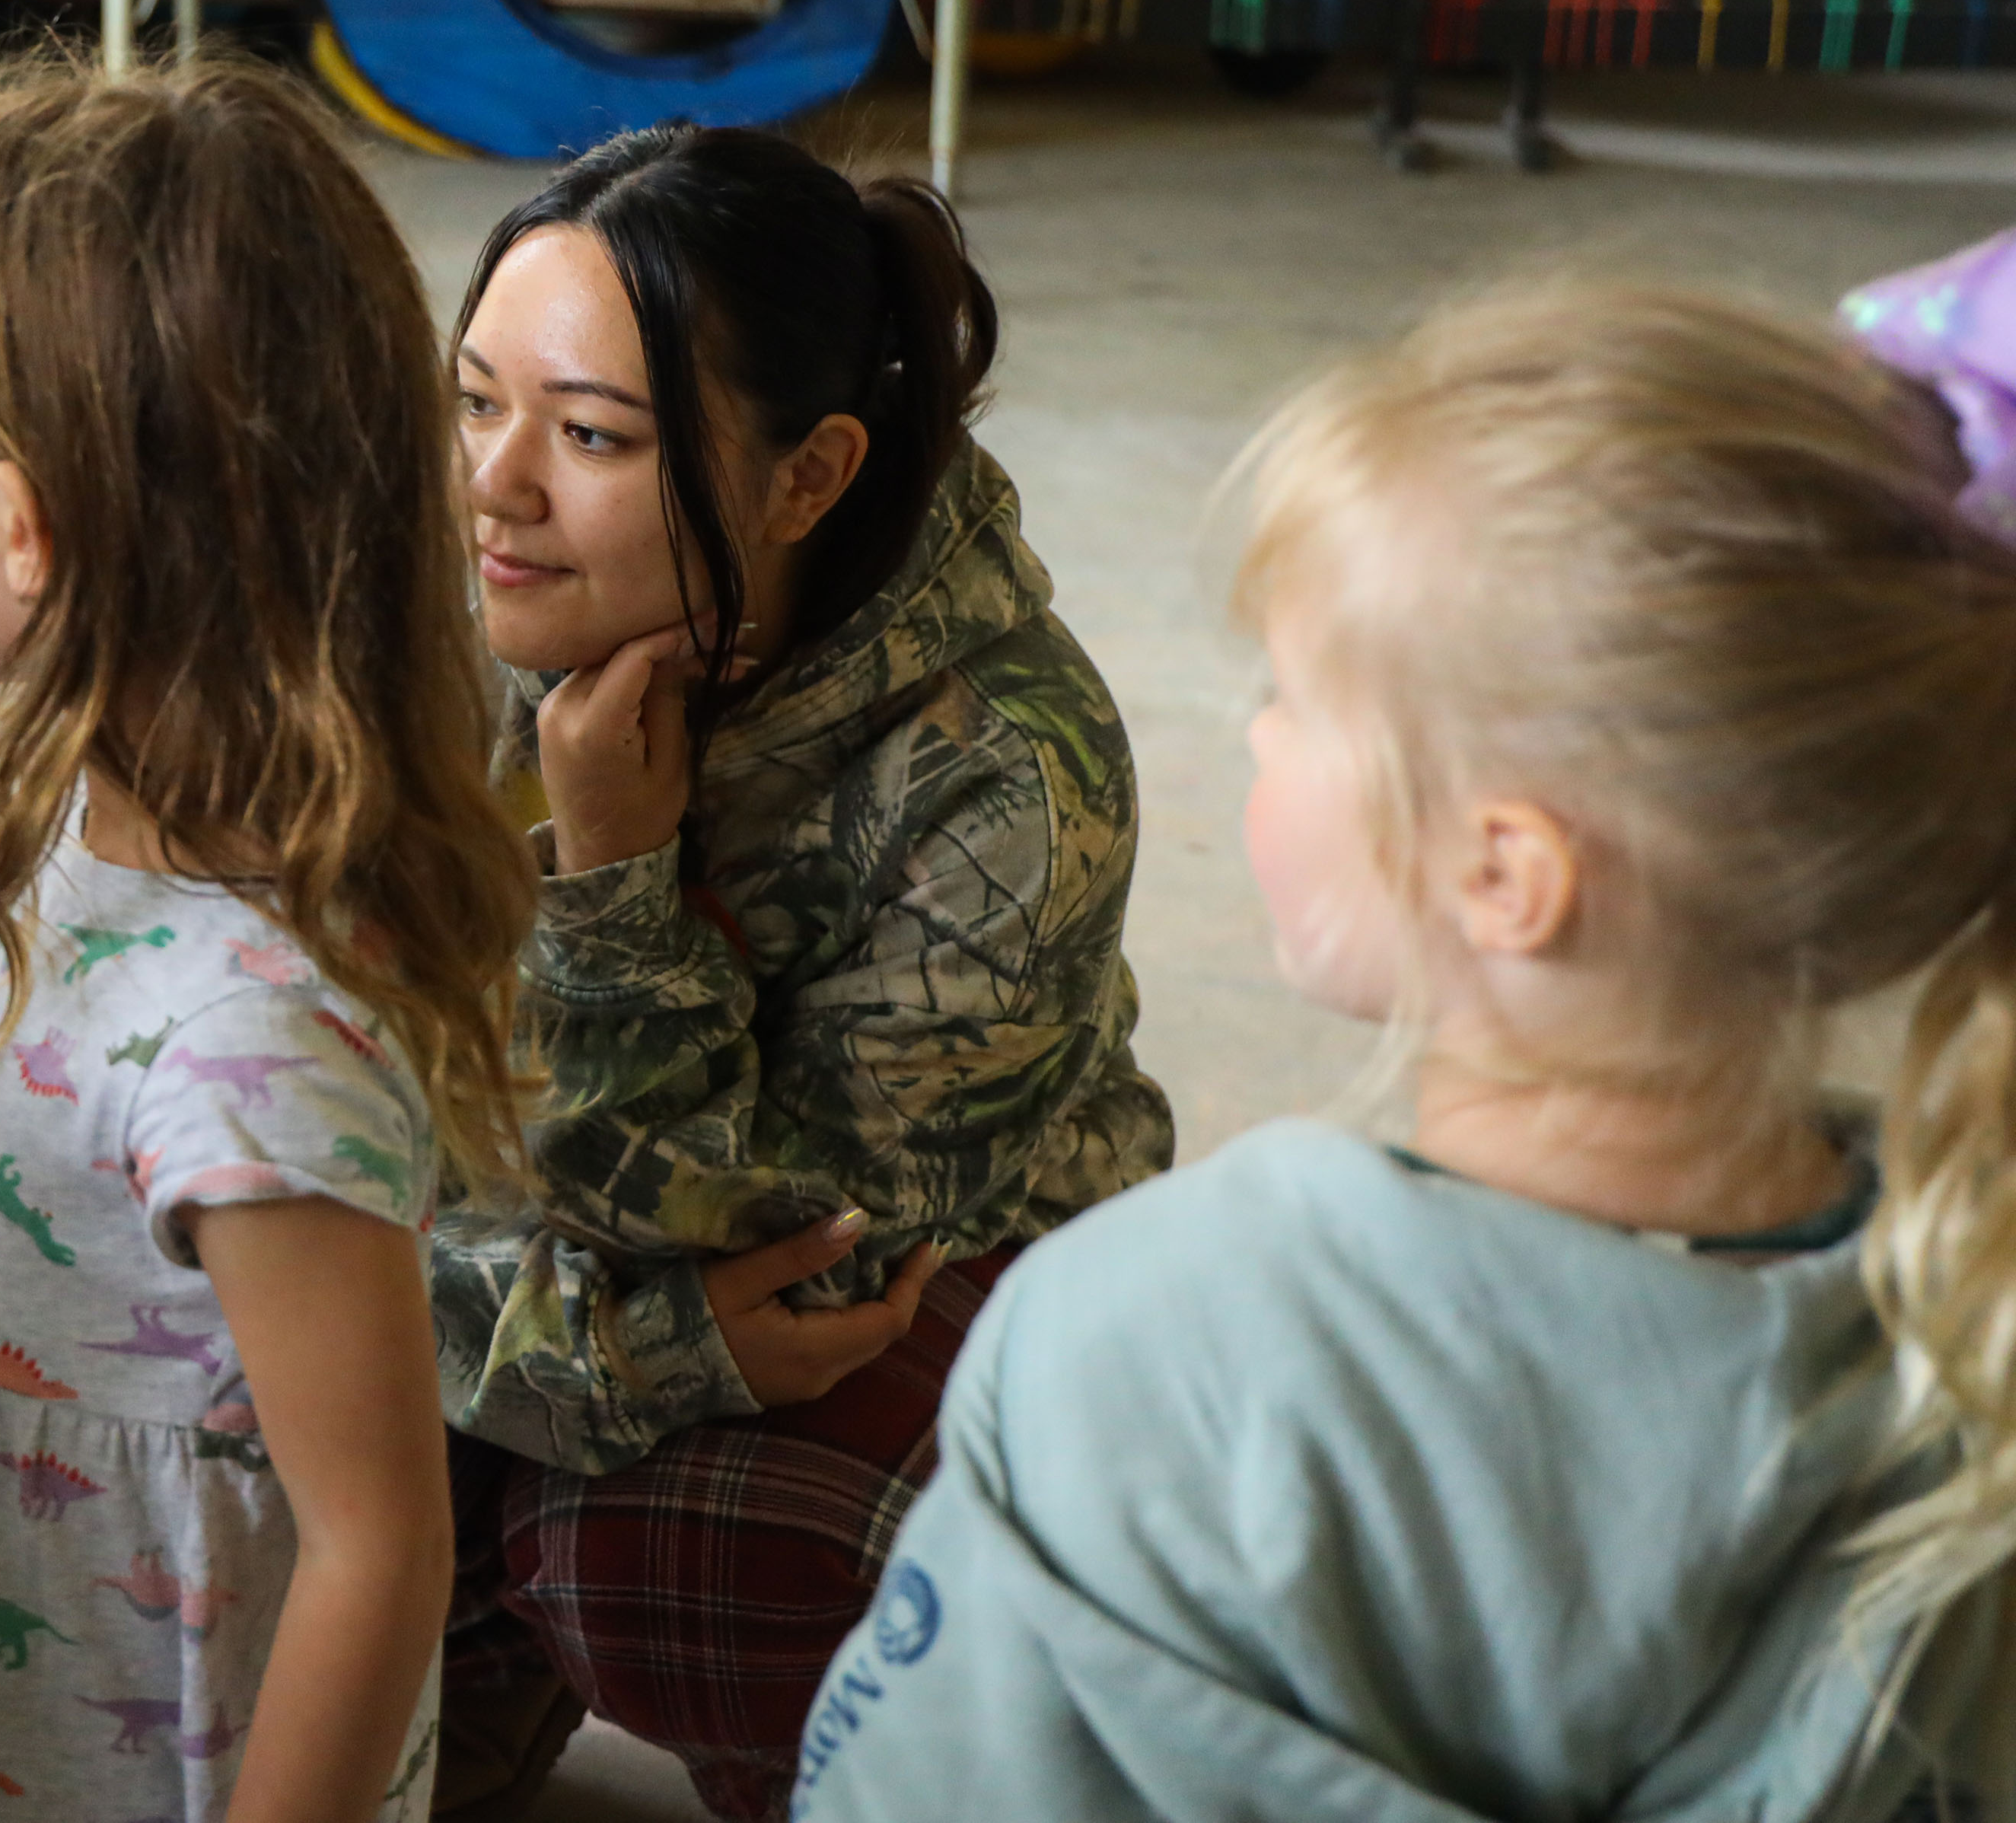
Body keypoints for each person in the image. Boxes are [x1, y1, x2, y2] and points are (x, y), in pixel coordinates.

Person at [793, 281, 2016, 1818]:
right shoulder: (1964, 1314)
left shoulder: (1149, 1335)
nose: (1251, 733)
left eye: (1292, 699)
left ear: (1503, 872)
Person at [0, 59, 536, 1823]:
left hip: (137, 1744)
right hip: (3, 1677)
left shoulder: (260, 1053)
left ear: (26, 524)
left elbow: (381, 1548)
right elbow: (12, 905)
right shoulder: (167, 796)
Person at [432, 126, 1173, 1818]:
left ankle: (848, 1764)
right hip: (537, 1260)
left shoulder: (1009, 771)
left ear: (807, 476)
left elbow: (797, 1275)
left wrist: (615, 878)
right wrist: (616, 1357)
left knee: (677, 1550)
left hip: (925, 1276)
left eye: (594, 432)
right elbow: (309, 1083)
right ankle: (465, 1635)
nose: (499, 481)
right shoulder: (479, 585)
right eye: (479, 400)